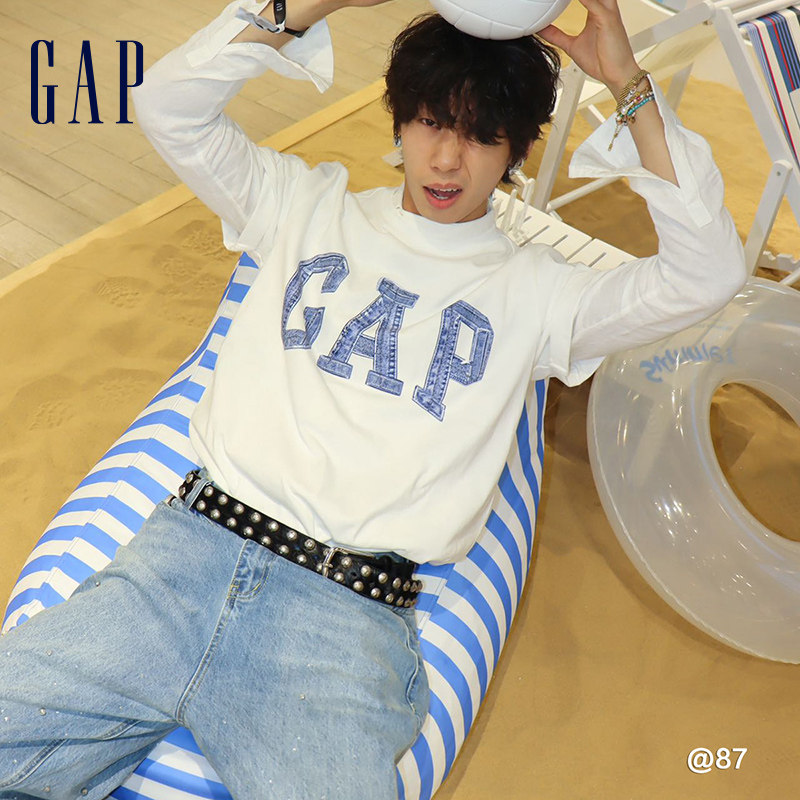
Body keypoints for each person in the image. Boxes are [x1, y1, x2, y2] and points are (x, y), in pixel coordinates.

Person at [0, 0, 745, 797]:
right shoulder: (300, 205)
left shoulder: (542, 295)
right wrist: (309, 5)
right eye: (430, 123)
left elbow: (709, 273)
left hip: (336, 625)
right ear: (398, 122)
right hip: (177, 565)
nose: (447, 160)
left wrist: (627, 83)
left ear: (517, 149)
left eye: (481, 135)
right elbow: (168, 105)